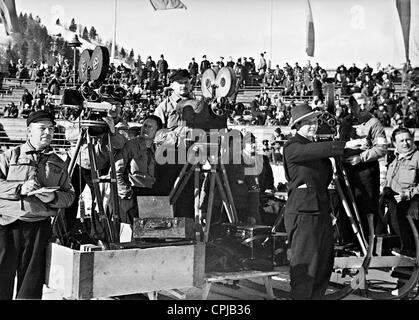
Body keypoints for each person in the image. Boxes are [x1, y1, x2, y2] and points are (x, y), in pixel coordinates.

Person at [283, 103, 364, 300]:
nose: (313, 125)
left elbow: (321, 156)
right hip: (303, 213)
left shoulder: (318, 149)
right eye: (307, 122)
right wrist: (343, 145)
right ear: (297, 126)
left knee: (323, 264)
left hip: (321, 210)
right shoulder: (292, 146)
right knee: (306, 266)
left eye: (315, 121)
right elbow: (312, 151)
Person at [0, 110, 75, 300]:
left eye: (51, 129)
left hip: (39, 227)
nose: (47, 133)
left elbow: (70, 195)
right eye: (42, 128)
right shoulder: (10, 155)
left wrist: (53, 198)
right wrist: (19, 188)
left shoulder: (59, 162)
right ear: (28, 132)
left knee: (31, 285)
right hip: (8, 224)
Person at [338, 92, 388, 247]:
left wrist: (362, 157)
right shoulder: (345, 122)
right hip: (346, 169)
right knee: (345, 204)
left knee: (365, 205)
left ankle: (368, 241)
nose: (362, 107)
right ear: (351, 106)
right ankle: (349, 241)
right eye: (358, 104)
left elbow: (382, 148)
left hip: (366, 171)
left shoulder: (374, 123)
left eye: (365, 104)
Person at [114, 115, 163, 241]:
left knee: (152, 234)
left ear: (158, 130)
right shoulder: (131, 145)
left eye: (150, 127)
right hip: (134, 194)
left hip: (153, 195)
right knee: (132, 235)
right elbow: (116, 170)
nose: (145, 129)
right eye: (144, 126)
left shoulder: (160, 148)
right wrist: (125, 192)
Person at [379, 128, 419, 256]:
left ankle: (412, 252)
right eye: (401, 140)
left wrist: (408, 195)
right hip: (395, 204)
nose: (405, 143)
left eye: (408, 139)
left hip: (411, 203)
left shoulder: (417, 157)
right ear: (394, 143)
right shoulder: (394, 158)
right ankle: (405, 251)